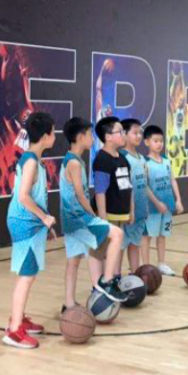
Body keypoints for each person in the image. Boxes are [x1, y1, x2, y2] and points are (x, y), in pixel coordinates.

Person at [59, 117, 126, 315]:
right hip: (79, 218)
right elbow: (80, 195)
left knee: (73, 262)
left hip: (69, 220)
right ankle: (107, 281)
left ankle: (69, 304)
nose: (92, 138)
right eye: (89, 134)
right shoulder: (74, 163)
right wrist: (94, 215)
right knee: (117, 235)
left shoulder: (71, 158)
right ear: (80, 137)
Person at [3, 112, 57, 349]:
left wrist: (45, 223)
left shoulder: (34, 158)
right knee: (26, 275)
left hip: (31, 222)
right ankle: (14, 330)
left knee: (29, 273)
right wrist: (44, 218)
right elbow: (23, 196)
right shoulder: (31, 161)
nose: (55, 136)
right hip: (24, 222)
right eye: (53, 132)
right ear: (45, 136)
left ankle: (19, 318)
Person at [91, 116, 135, 303]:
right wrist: (102, 219)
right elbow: (100, 192)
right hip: (106, 214)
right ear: (108, 137)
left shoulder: (123, 158)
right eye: (120, 131)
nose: (123, 134)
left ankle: (109, 281)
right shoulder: (102, 159)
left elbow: (128, 186)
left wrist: (131, 211)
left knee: (113, 249)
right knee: (99, 251)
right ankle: (97, 287)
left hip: (120, 213)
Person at [142, 125, 183, 276]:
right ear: (147, 142)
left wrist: (178, 200)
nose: (159, 144)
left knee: (162, 235)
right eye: (155, 141)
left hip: (167, 207)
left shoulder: (166, 161)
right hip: (151, 208)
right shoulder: (145, 162)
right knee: (147, 236)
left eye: (161, 140)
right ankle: (145, 267)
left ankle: (161, 264)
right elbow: (144, 186)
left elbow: (173, 181)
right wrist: (157, 203)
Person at [119, 118, 150, 274]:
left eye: (140, 133)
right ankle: (115, 278)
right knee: (120, 247)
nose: (139, 136)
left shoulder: (141, 158)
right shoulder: (121, 158)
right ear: (124, 134)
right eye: (135, 133)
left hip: (140, 212)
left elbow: (144, 185)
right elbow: (123, 187)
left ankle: (135, 277)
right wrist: (128, 211)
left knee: (135, 245)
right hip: (126, 213)